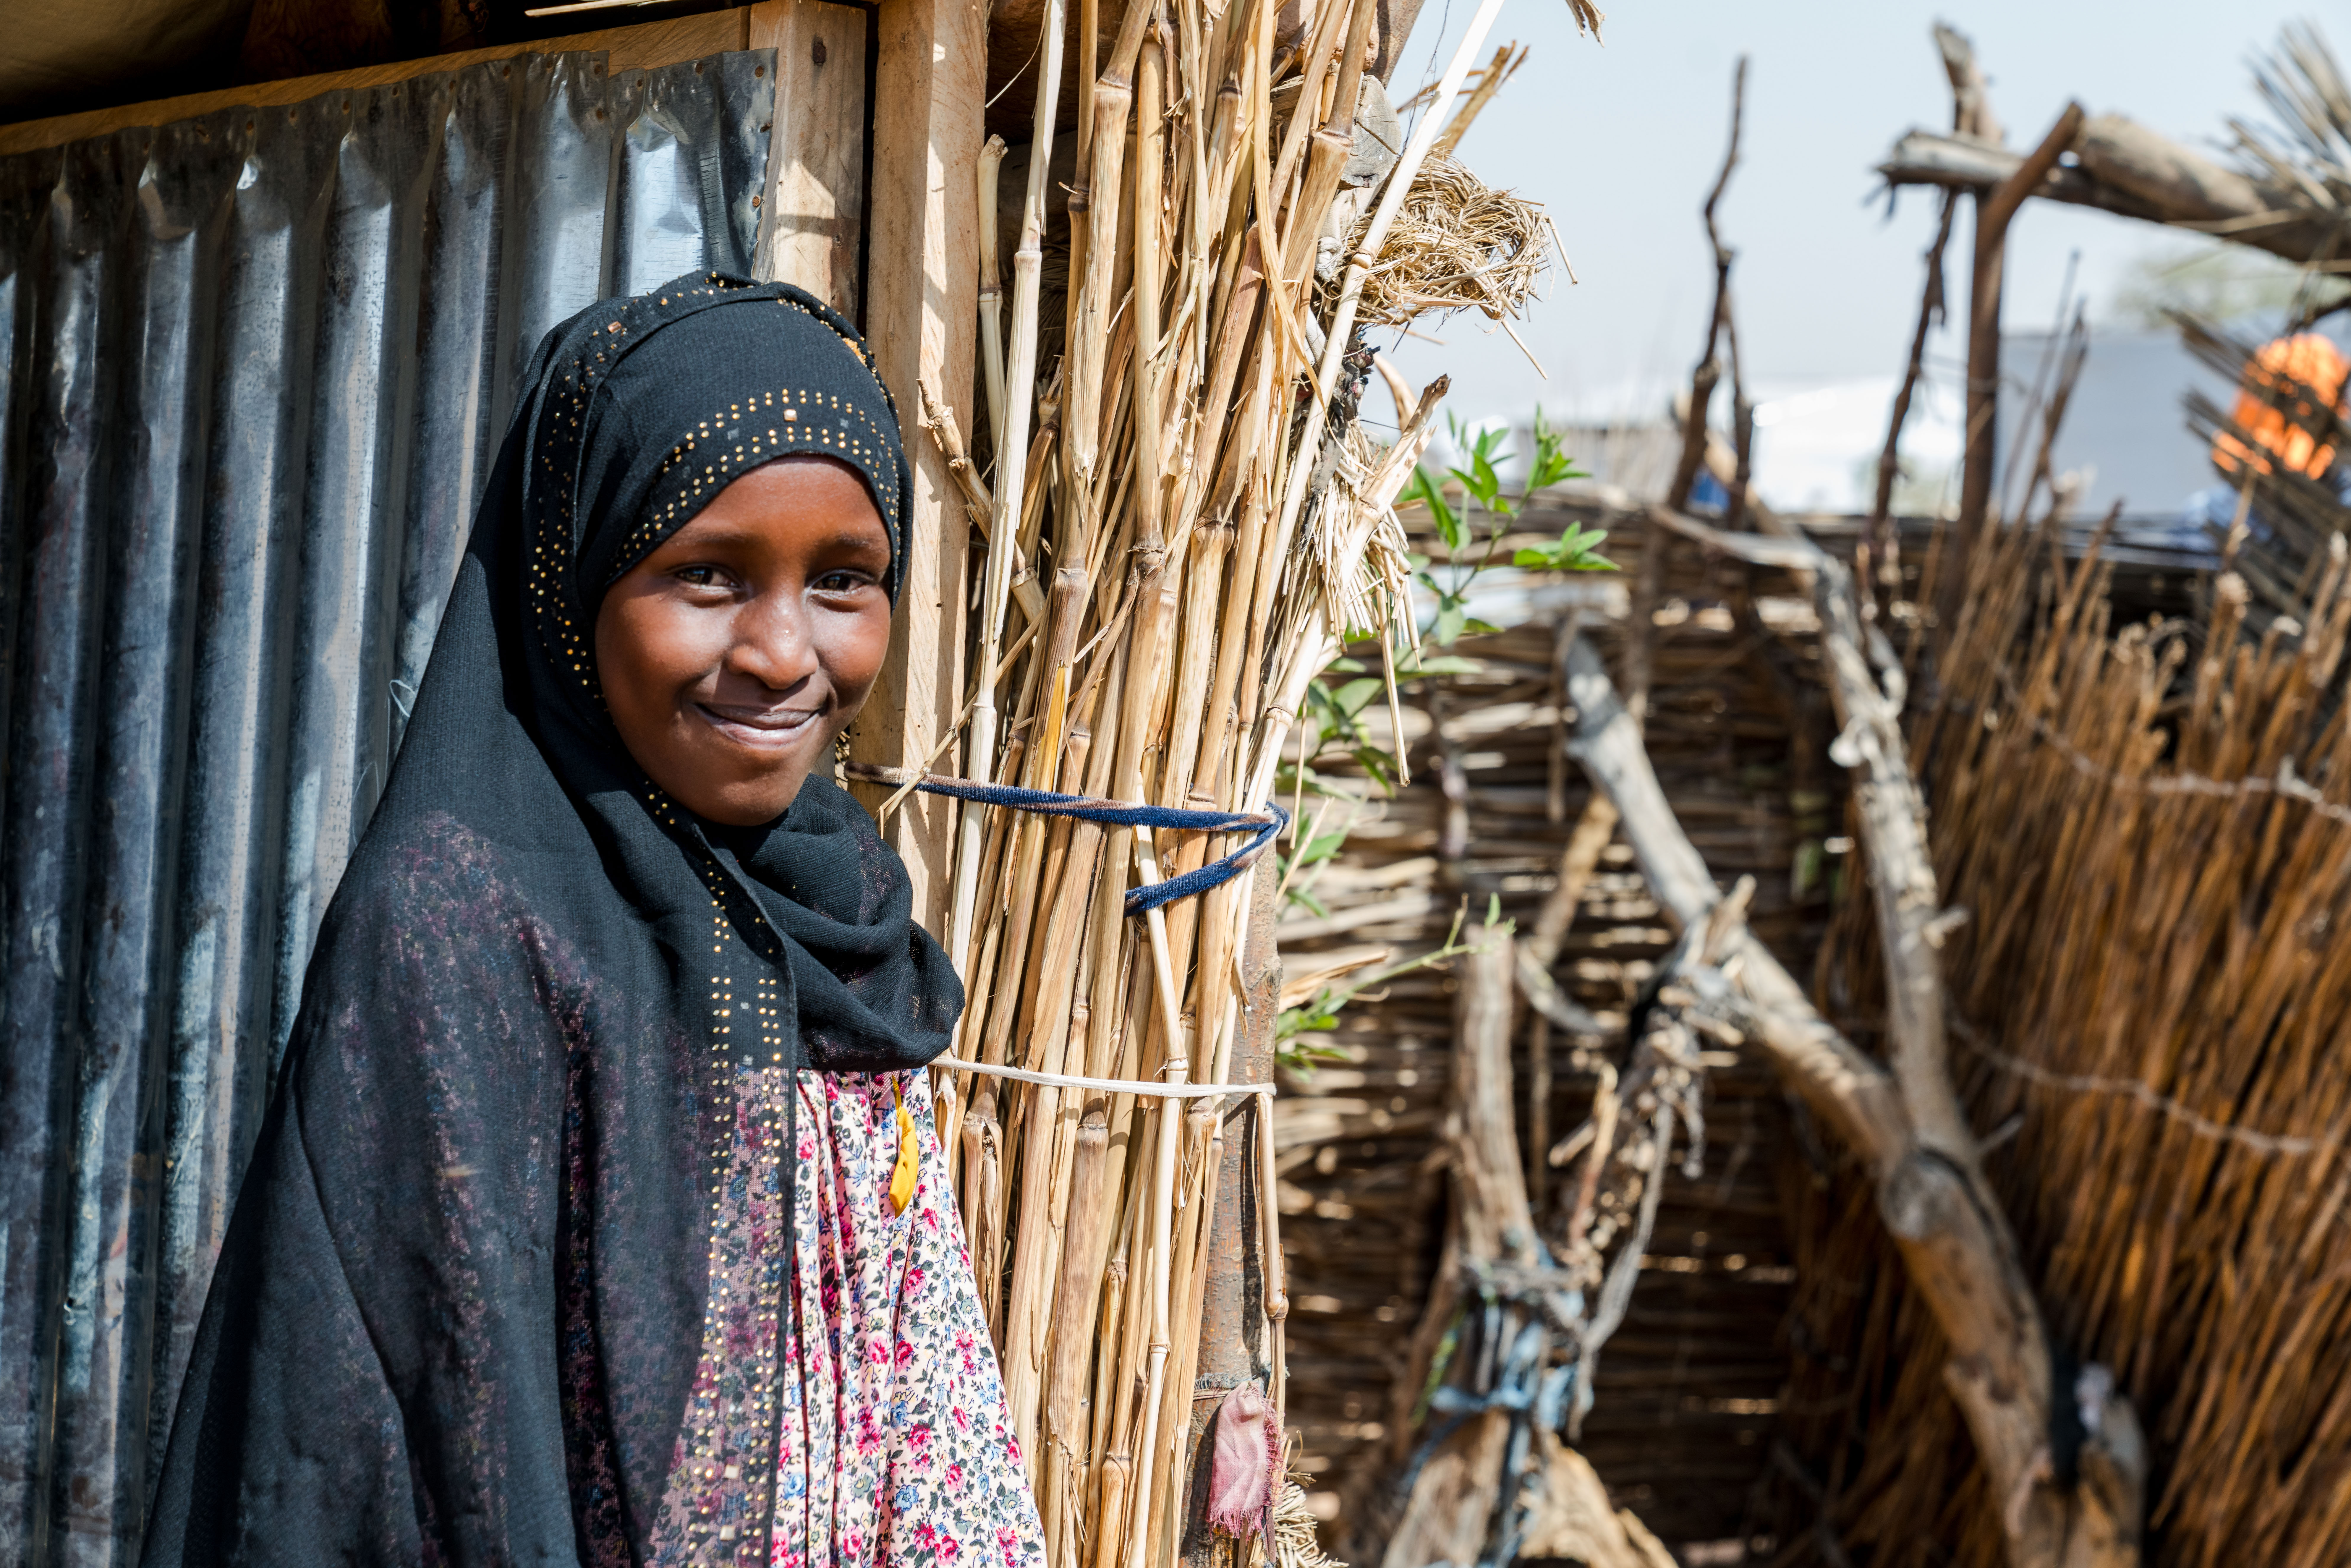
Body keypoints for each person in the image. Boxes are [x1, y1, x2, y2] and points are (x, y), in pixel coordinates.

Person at [143, 274, 1048, 1568]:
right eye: (706, 575)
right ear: (572, 592)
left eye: (844, 579)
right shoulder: (461, 924)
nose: (786, 651)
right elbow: (430, 1442)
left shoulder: (830, 897)